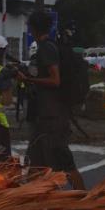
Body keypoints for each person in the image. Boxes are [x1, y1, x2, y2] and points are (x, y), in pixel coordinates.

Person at [18, 11, 85, 190]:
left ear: (33, 28)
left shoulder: (47, 48)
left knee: (64, 163)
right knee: (36, 165)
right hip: (43, 118)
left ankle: (84, 199)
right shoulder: (45, 47)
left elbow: (55, 80)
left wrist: (29, 80)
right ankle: (40, 204)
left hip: (53, 119)